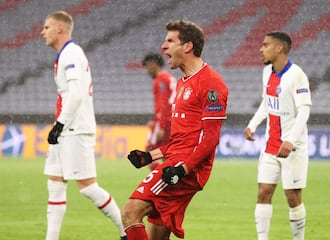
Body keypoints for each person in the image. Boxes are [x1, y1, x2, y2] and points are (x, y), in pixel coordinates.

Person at [122, 20, 228, 240]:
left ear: (188, 46)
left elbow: (210, 138)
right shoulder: (182, 83)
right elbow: (182, 140)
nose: (163, 47)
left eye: (170, 41)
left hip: (186, 169)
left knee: (130, 212)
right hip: (177, 161)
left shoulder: (211, 83)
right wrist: (150, 155)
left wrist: (183, 169)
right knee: (156, 235)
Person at [40, 11, 127, 240]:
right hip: (65, 130)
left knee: (88, 188)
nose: (42, 32)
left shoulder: (71, 53)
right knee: (55, 186)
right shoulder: (65, 54)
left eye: (47, 27)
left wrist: (59, 125)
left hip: (75, 129)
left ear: (60, 28)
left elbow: (77, 94)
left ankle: (126, 232)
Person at [244, 31, 312, 240]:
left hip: (293, 148)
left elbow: (304, 110)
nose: (260, 49)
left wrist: (290, 140)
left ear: (279, 48)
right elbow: (267, 102)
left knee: (292, 197)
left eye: (265, 45)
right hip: (270, 146)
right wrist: (253, 124)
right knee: (264, 192)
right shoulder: (267, 72)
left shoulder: (297, 75)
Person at [142, 52, 176, 171]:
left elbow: (163, 104)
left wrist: (160, 125)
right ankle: (171, 181)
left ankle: (163, 179)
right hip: (172, 121)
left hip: (165, 122)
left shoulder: (161, 80)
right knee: (167, 155)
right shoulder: (169, 78)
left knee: (148, 154)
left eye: (147, 66)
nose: (147, 71)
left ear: (153, 64)